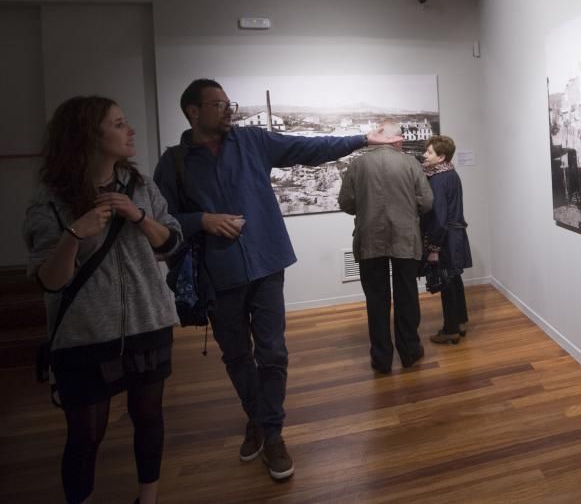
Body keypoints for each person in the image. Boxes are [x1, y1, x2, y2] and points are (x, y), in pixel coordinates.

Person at [153, 79, 400, 482]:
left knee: (273, 352)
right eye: (217, 104)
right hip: (220, 274)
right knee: (236, 355)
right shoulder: (175, 162)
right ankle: (260, 420)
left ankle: (271, 431)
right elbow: (162, 220)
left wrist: (360, 139)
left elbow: (307, 148)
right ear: (192, 112)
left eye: (227, 101)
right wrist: (203, 220)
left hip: (267, 264)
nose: (227, 109)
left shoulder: (251, 141)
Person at [24, 96, 183, 504]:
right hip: (84, 334)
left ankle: (148, 497)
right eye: (118, 123)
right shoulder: (50, 201)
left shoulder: (142, 185)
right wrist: (74, 235)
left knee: (148, 416)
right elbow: (50, 281)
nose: (130, 131)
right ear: (87, 136)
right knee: (85, 433)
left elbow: (170, 243)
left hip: (149, 321)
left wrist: (138, 216)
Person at [338, 120, 433, 374]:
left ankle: (381, 358)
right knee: (407, 295)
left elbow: (346, 202)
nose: (403, 140)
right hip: (404, 237)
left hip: (370, 239)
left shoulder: (357, 164)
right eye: (400, 137)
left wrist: (367, 208)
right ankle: (410, 351)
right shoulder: (410, 163)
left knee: (377, 300)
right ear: (393, 139)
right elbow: (427, 202)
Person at [420, 135, 472, 345]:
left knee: (447, 283)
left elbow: (440, 219)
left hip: (446, 239)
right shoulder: (450, 173)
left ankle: (450, 329)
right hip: (454, 236)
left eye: (430, 152)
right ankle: (460, 322)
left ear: (441, 157)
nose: (425, 154)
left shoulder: (439, 180)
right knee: (454, 279)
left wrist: (434, 248)